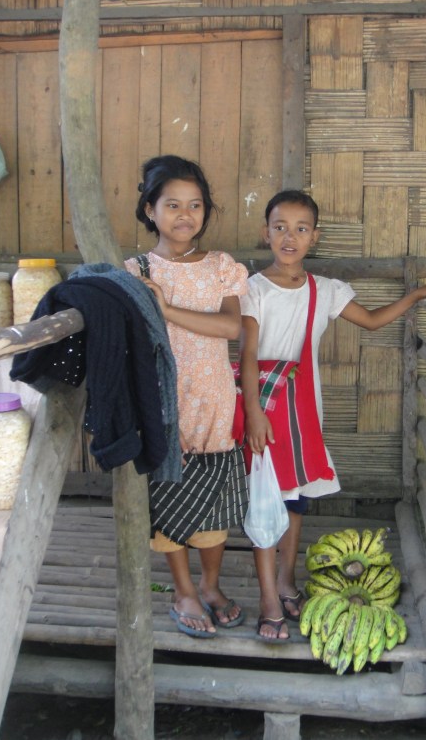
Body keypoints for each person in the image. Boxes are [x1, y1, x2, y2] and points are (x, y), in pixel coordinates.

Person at [239, 189, 426, 641]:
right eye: (280, 227)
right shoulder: (252, 289)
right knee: (265, 500)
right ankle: (269, 600)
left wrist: (414, 297)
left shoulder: (325, 290)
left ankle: (287, 582)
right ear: (265, 233)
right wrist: (253, 412)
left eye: (300, 229)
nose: (289, 237)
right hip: (264, 409)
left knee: (295, 499)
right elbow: (248, 354)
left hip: (304, 412)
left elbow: (370, 320)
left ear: (314, 236)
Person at [125, 154, 249, 638]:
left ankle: (211, 586)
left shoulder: (221, 267)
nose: (185, 214)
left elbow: (231, 327)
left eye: (195, 205)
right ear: (150, 210)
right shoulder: (135, 271)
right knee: (166, 497)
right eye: (172, 204)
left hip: (214, 399)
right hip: (162, 402)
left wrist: (167, 308)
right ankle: (183, 591)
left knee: (213, 499)